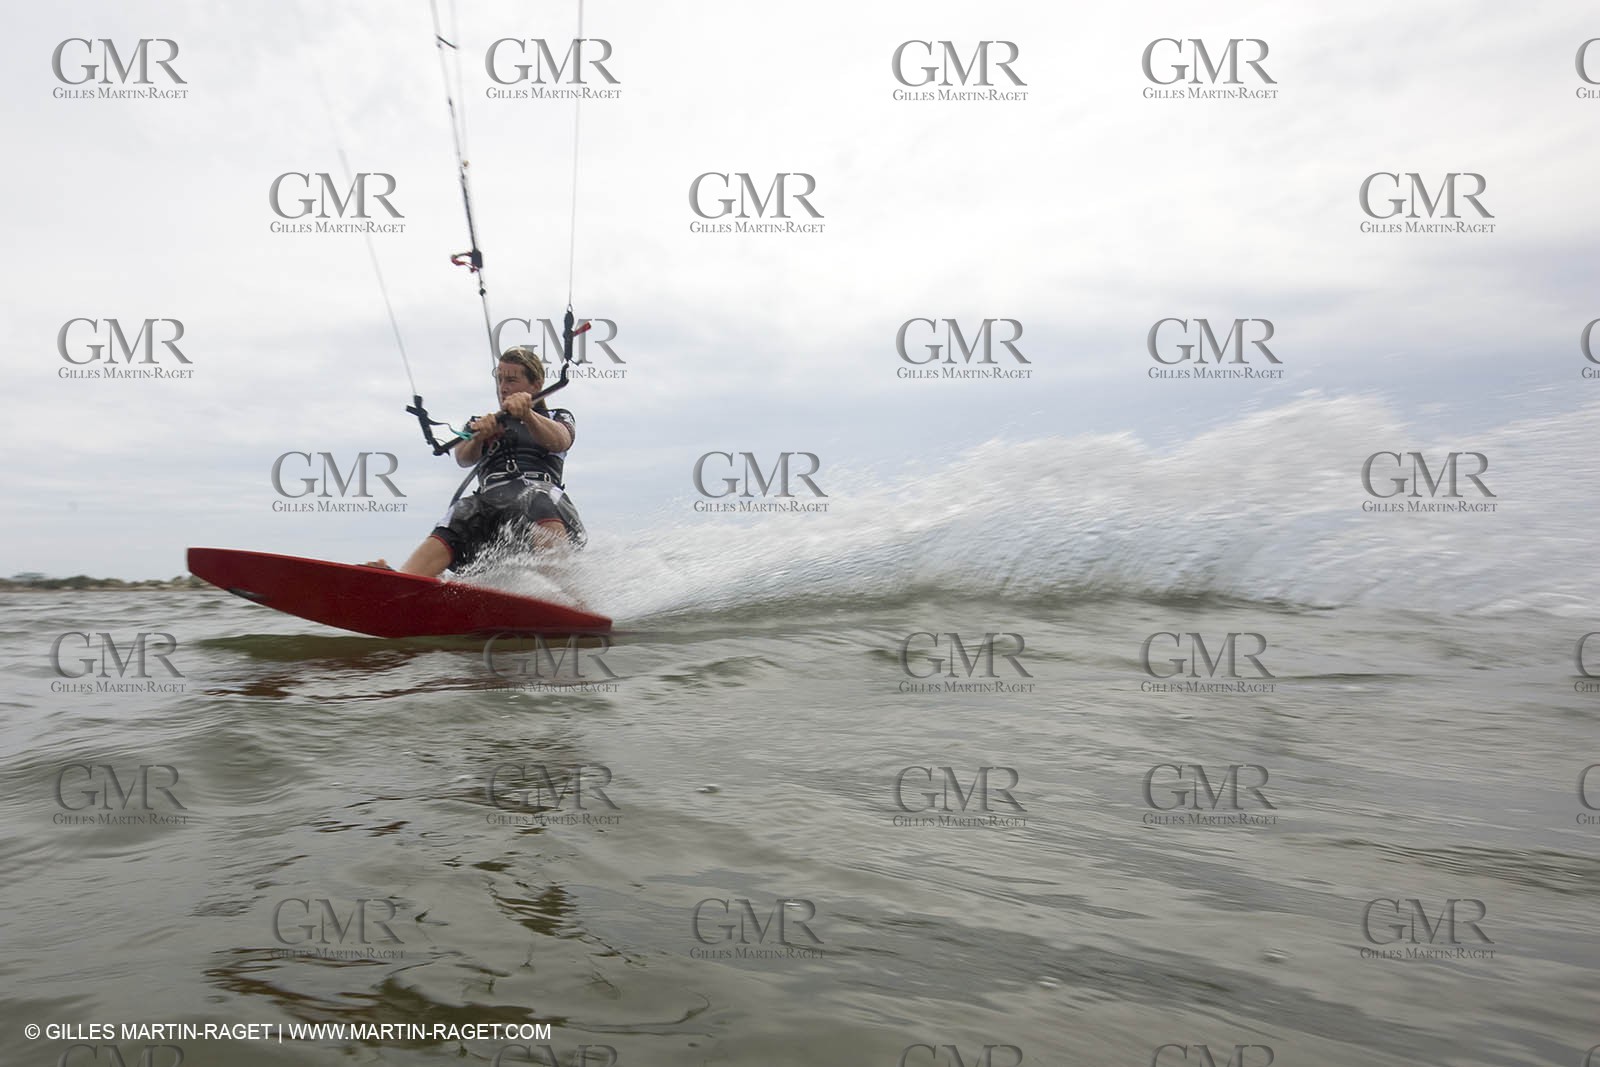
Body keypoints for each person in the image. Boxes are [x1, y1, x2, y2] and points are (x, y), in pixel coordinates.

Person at [377, 346, 586, 577]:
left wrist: (527, 414)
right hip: (491, 501)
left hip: (542, 498)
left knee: (538, 498)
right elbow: (463, 458)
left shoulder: (557, 416)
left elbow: (561, 440)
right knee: (461, 512)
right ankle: (406, 579)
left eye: (511, 380)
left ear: (535, 385)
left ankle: (565, 590)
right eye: (499, 380)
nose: (503, 388)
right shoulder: (480, 422)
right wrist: (479, 438)